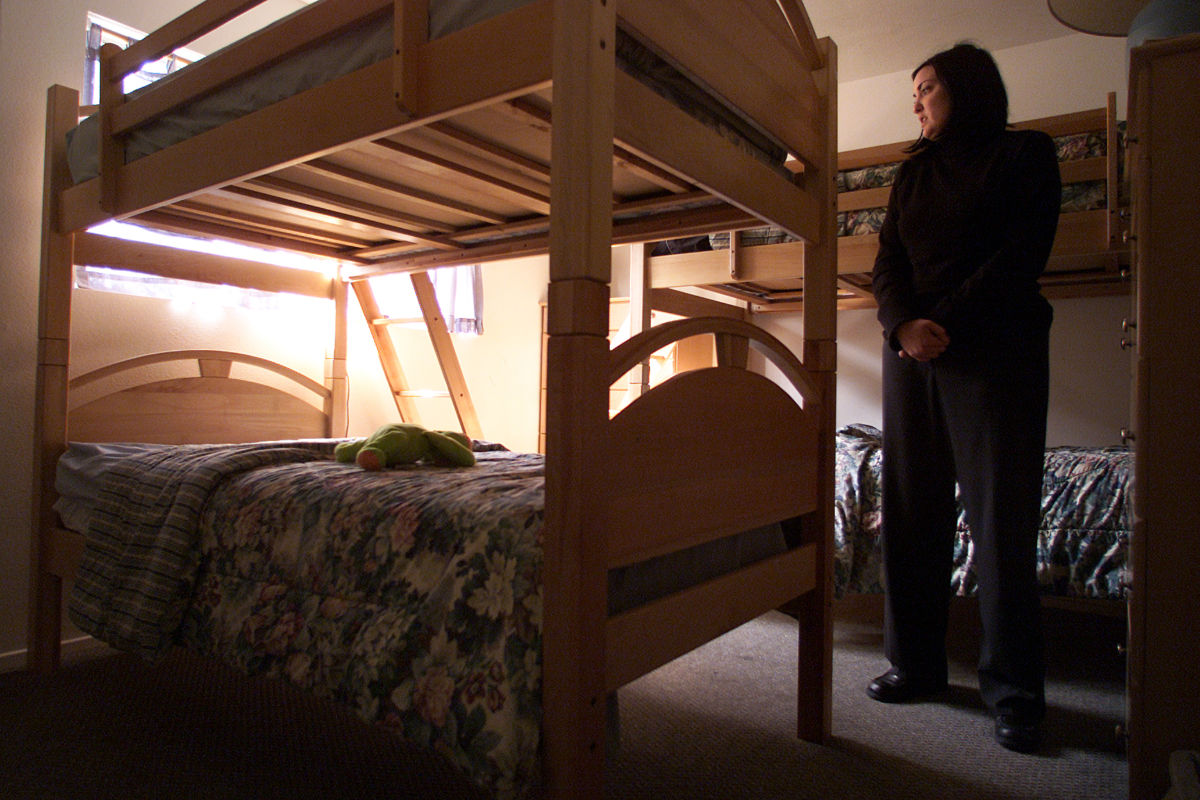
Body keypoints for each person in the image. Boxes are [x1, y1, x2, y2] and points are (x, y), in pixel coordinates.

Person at [866, 43, 1061, 755]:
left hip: (994, 354)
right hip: (912, 355)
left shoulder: (1025, 156)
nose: (916, 104)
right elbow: (886, 261)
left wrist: (940, 323)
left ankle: (1014, 691)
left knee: (1001, 519)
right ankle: (915, 666)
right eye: (913, 93)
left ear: (967, 90)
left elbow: (1021, 254)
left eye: (927, 89)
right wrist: (901, 327)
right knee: (912, 510)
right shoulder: (910, 173)